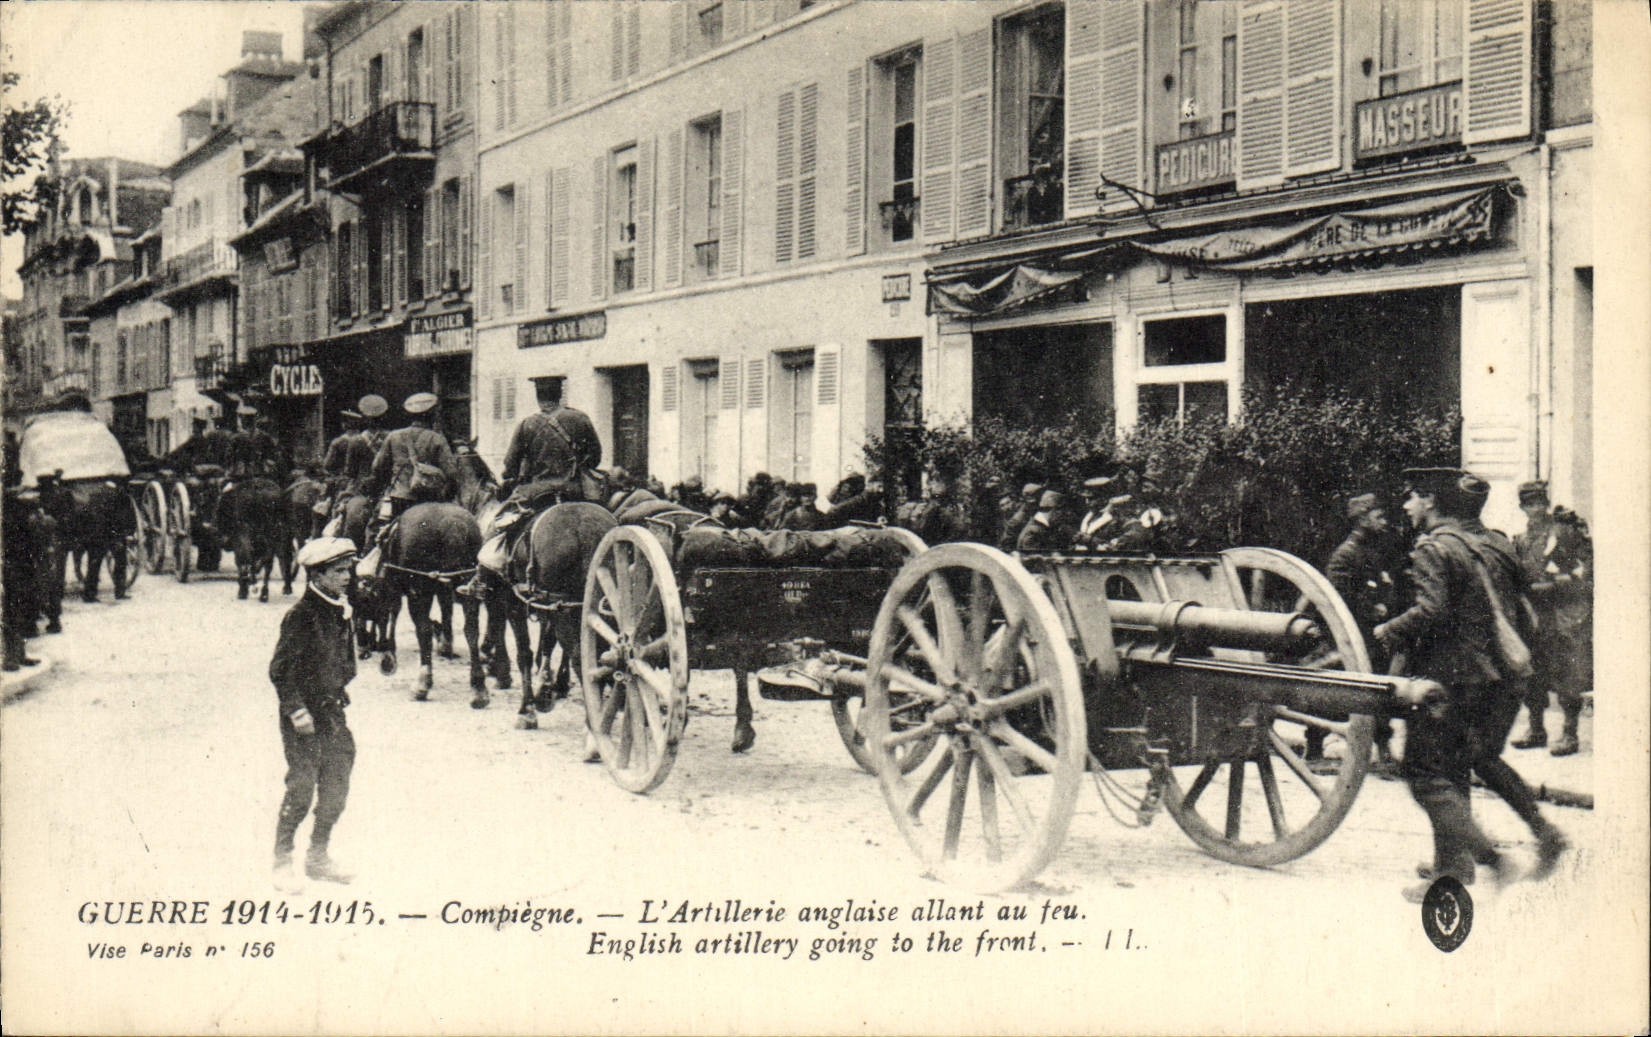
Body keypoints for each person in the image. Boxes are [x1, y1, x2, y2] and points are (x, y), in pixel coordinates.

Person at [1373, 468, 1566, 902]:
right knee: (1468, 761)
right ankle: (1533, 838)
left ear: (1432, 502)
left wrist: (1389, 630)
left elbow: (1433, 610)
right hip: (1502, 675)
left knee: (1425, 773)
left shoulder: (1434, 548)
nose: (1406, 506)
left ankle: (1486, 863)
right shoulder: (1496, 542)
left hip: (1453, 677)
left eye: (1412, 498)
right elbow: (1524, 600)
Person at [269, 537, 360, 891]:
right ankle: (282, 861)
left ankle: (318, 856)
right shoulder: (301, 616)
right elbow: (279, 670)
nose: (347, 577)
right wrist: (295, 711)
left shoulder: (339, 609)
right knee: (302, 787)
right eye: (338, 571)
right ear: (317, 575)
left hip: (333, 712)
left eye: (348, 570)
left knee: (337, 784)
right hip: (303, 717)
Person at [1316, 491, 1398, 770]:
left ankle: (1384, 750)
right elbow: (1339, 599)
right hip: (1349, 637)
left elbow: (1383, 587)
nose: (1384, 521)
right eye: (1378, 516)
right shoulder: (1345, 555)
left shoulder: (1371, 551)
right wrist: (1371, 610)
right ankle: (1314, 746)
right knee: (1331, 692)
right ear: (1362, 519)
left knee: (1379, 690)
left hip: (1372, 636)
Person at [1510, 481, 1593, 756]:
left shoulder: (1564, 532)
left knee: (1568, 673)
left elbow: (1583, 575)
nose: (1535, 508)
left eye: (1538, 502)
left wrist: (1553, 585)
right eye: (1528, 504)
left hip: (1564, 614)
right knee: (1533, 672)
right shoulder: (1521, 540)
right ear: (1522, 507)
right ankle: (1536, 729)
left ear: (1545, 503)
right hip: (1536, 616)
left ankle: (1569, 734)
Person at [498, 379, 602, 509]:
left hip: (538, 493)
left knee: (501, 522)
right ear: (560, 394)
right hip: (574, 491)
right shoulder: (580, 418)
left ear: (537, 396)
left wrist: (510, 476)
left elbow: (510, 464)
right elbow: (595, 457)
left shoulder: (526, 425)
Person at [364, 392, 459, 525]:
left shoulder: (393, 436)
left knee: (380, 532)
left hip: (400, 498)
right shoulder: (437, 438)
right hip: (429, 499)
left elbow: (377, 467)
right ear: (431, 415)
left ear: (410, 415)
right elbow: (452, 472)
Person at [895, 468, 970, 545]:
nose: (927, 487)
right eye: (929, 482)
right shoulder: (923, 507)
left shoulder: (953, 508)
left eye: (933, 481)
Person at [999, 482, 1044, 552]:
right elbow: (1007, 542)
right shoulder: (1017, 519)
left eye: (1008, 503)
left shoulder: (1034, 512)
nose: (1006, 507)